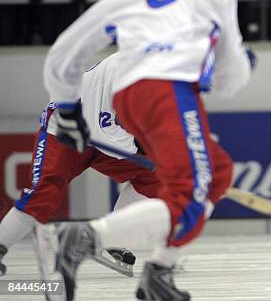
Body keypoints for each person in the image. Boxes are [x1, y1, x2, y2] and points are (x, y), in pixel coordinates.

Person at [43, 0, 253, 300]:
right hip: (168, 90)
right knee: (190, 192)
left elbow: (63, 55)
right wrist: (234, 73)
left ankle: (159, 270)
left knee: (216, 173)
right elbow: (230, 72)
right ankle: (85, 236)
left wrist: (70, 107)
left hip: (128, 96)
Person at [0, 53, 162, 278]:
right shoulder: (122, 72)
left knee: (158, 177)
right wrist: (145, 151)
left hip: (108, 139)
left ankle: (110, 237)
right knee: (44, 192)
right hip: (66, 132)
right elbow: (102, 130)